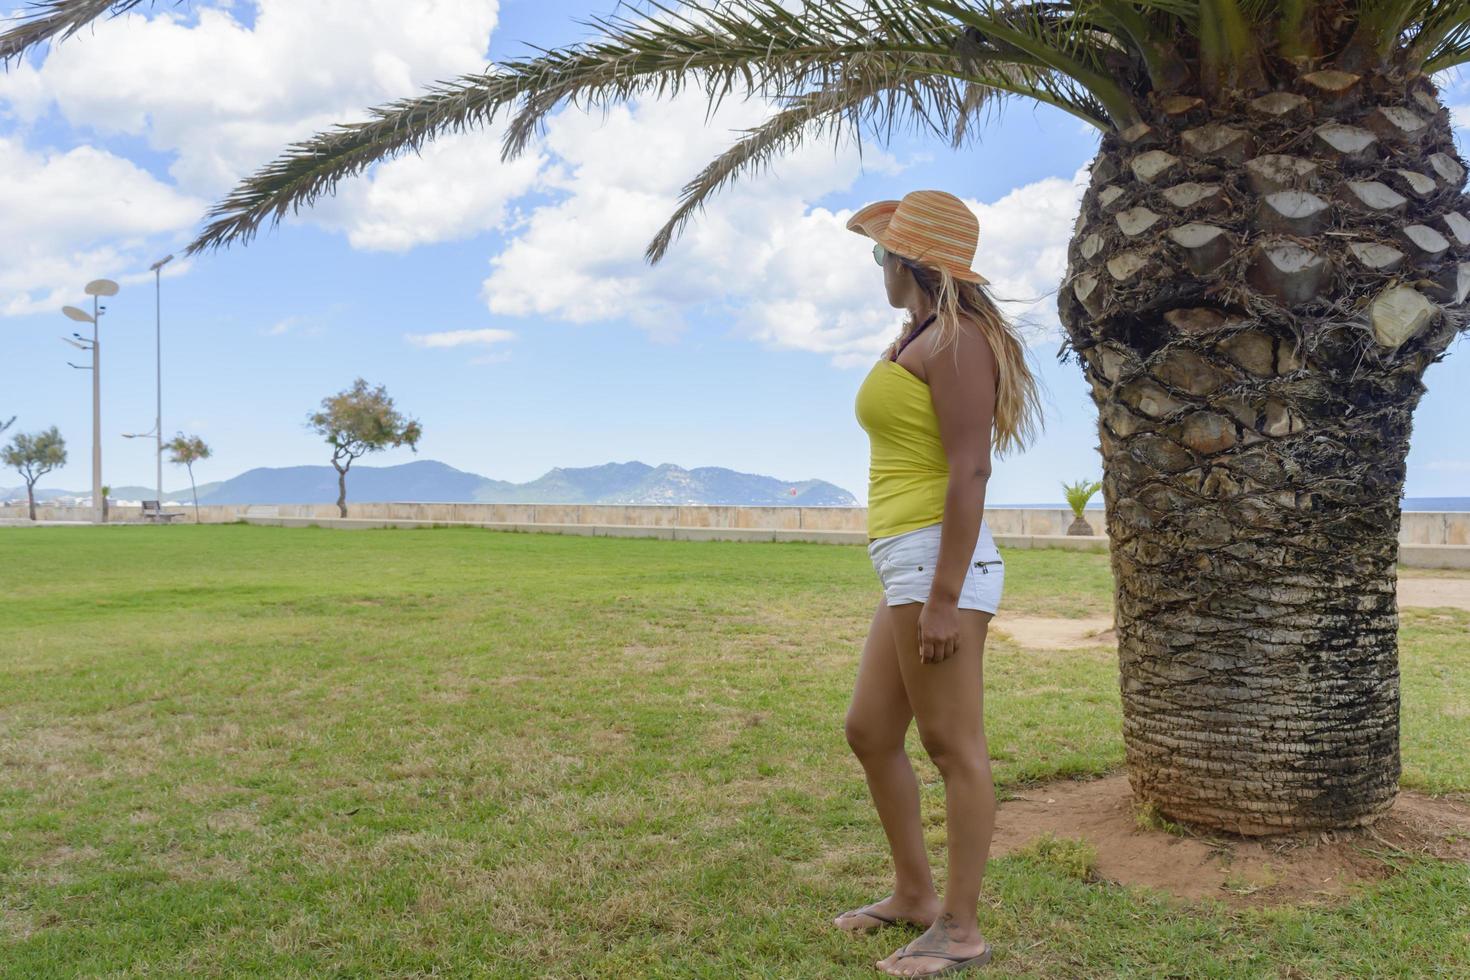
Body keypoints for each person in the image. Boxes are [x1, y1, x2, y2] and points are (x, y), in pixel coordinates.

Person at [839, 189, 1044, 977]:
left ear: (908, 262)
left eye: (881, 254)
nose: (875, 266)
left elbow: (972, 468)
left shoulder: (956, 341)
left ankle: (960, 930)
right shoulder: (920, 335)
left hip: (938, 564)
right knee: (869, 730)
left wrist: (945, 597)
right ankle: (914, 896)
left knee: (952, 744)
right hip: (908, 560)